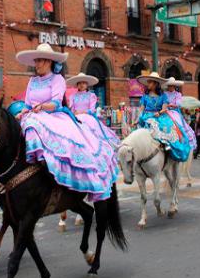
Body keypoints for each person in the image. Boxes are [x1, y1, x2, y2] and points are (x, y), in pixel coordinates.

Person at [14, 43, 118, 201]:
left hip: (52, 115)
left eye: (39, 61)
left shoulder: (57, 79)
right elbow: (27, 104)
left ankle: (50, 168)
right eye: (35, 61)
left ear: (49, 62)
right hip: (32, 114)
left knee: (33, 126)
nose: (36, 64)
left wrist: (42, 106)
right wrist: (22, 111)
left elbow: (56, 103)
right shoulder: (32, 81)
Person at [137, 72, 190, 162]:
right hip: (146, 117)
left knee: (166, 128)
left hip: (159, 116)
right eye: (148, 82)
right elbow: (141, 109)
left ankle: (166, 146)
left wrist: (159, 113)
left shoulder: (163, 96)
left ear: (155, 84)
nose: (148, 84)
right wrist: (137, 119)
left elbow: (164, 109)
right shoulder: (144, 96)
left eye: (150, 82)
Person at [66, 72, 119, 148]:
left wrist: (82, 112)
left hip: (88, 118)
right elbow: (71, 109)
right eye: (79, 83)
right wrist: (73, 113)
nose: (81, 85)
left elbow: (91, 110)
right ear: (77, 85)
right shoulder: (72, 96)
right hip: (75, 118)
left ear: (87, 84)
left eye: (84, 83)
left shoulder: (91, 95)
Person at [162, 77, 197, 152]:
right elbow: (163, 102)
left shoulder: (178, 94)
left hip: (174, 112)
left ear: (174, 86)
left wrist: (170, 105)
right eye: (169, 85)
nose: (170, 87)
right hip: (165, 111)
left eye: (171, 85)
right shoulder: (164, 94)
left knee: (179, 125)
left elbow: (178, 104)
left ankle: (182, 140)